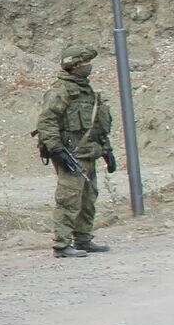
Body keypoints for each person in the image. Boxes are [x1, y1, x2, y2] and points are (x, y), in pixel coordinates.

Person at [35, 43, 115, 258]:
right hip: (71, 154)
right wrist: (56, 150)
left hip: (89, 153)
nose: (88, 67)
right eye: (84, 63)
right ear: (73, 66)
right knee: (68, 199)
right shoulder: (61, 91)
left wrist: (107, 151)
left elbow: (97, 124)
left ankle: (83, 239)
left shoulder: (86, 91)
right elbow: (47, 122)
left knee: (88, 198)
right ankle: (62, 245)